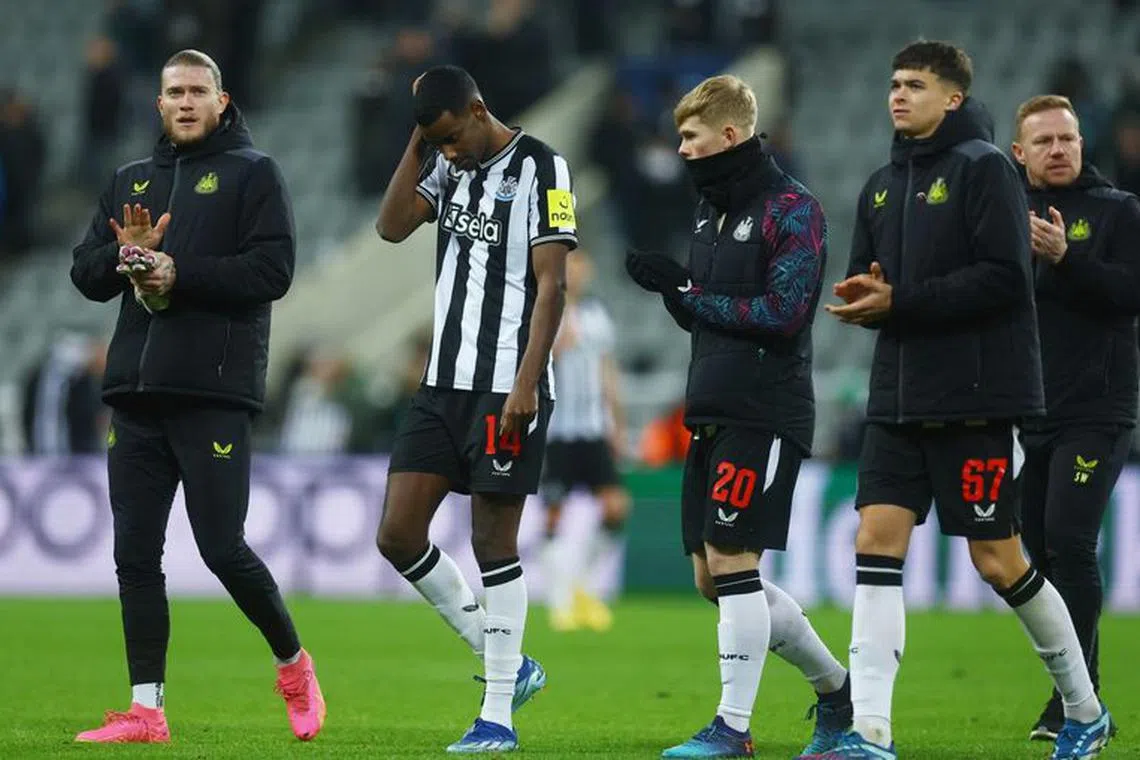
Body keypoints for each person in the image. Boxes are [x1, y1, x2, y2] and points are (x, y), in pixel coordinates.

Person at [817, 42, 1110, 760]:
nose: (897, 95)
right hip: (895, 398)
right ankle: (871, 732)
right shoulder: (882, 183)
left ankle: (1084, 708)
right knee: (874, 544)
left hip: (975, 398)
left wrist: (902, 300)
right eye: (893, 83)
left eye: (914, 85)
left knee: (998, 559)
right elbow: (868, 274)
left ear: (951, 97)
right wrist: (862, 295)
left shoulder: (985, 170)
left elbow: (1007, 279)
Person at [69, 49, 325, 745]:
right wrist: (128, 257)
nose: (185, 102)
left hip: (213, 389)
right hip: (136, 393)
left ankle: (293, 663)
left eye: (197, 91)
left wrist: (178, 272)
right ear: (158, 104)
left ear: (221, 99)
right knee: (134, 556)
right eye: (174, 92)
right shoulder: (131, 181)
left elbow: (273, 269)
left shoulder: (253, 173)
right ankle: (146, 710)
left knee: (221, 548)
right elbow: (86, 271)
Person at [625, 74, 852, 760]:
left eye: (690, 137)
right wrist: (672, 290)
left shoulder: (793, 209)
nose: (682, 150)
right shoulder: (709, 213)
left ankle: (732, 728)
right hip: (714, 408)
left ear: (729, 135)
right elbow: (707, 313)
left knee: (732, 559)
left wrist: (687, 292)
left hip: (767, 408)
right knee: (712, 579)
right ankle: (836, 692)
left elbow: (783, 316)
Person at [374, 64, 574, 754]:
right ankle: (511, 665)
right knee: (398, 535)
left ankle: (496, 717)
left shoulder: (545, 167)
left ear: (479, 110)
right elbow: (391, 226)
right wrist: (420, 139)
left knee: (493, 542)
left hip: (506, 386)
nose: (450, 152)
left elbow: (552, 287)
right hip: (442, 383)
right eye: (440, 142)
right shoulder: (445, 161)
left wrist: (526, 382)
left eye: (454, 136)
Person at [1010, 94, 1138, 743]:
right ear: (1020, 153)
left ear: (1082, 144)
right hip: (1033, 411)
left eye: (1069, 138)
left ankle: (1077, 704)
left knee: (1068, 538)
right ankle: (1079, 696)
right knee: (1034, 554)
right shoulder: (1004, 217)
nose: (1059, 149)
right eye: (1046, 141)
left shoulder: (1117, 210)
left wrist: (1067, 257)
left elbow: (1131, 293)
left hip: (1097, 408)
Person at [540, 248, 631, 632]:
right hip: (558, 431)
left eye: (581, 266)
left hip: (594, 429)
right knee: (555, 516)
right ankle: (560, 603)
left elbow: (607, 371)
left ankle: (583, 587)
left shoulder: (597, 315)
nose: (577, 273)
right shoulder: (545, 310)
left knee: (615, 508)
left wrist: (618, 425)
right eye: (570, 266)